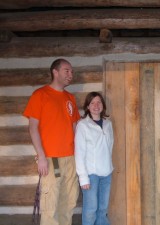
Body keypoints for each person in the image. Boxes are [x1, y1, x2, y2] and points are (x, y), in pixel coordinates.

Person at [23, 58, 80, 225]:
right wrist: (41, 156)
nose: (71, 74)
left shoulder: (70, 98)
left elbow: (76, 127)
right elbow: (33, 128)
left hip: (71, 158)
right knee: (50, 204)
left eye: (72, 71)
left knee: (69, 202)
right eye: (67, 71)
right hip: (51, 159)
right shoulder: (40, 94)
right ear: (55, 72)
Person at [75, 91, 114, 225]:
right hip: (91, 174)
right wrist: (83, 177)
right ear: (87, 106)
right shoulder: (83, 125)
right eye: (92, 103)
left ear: (103, 105)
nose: (96, 105)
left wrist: (109, 166)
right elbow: (79, 153)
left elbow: (110, 147)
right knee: (91, 209)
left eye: (99, 102)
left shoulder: (108, 124)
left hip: (106, 173)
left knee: (102, 209)